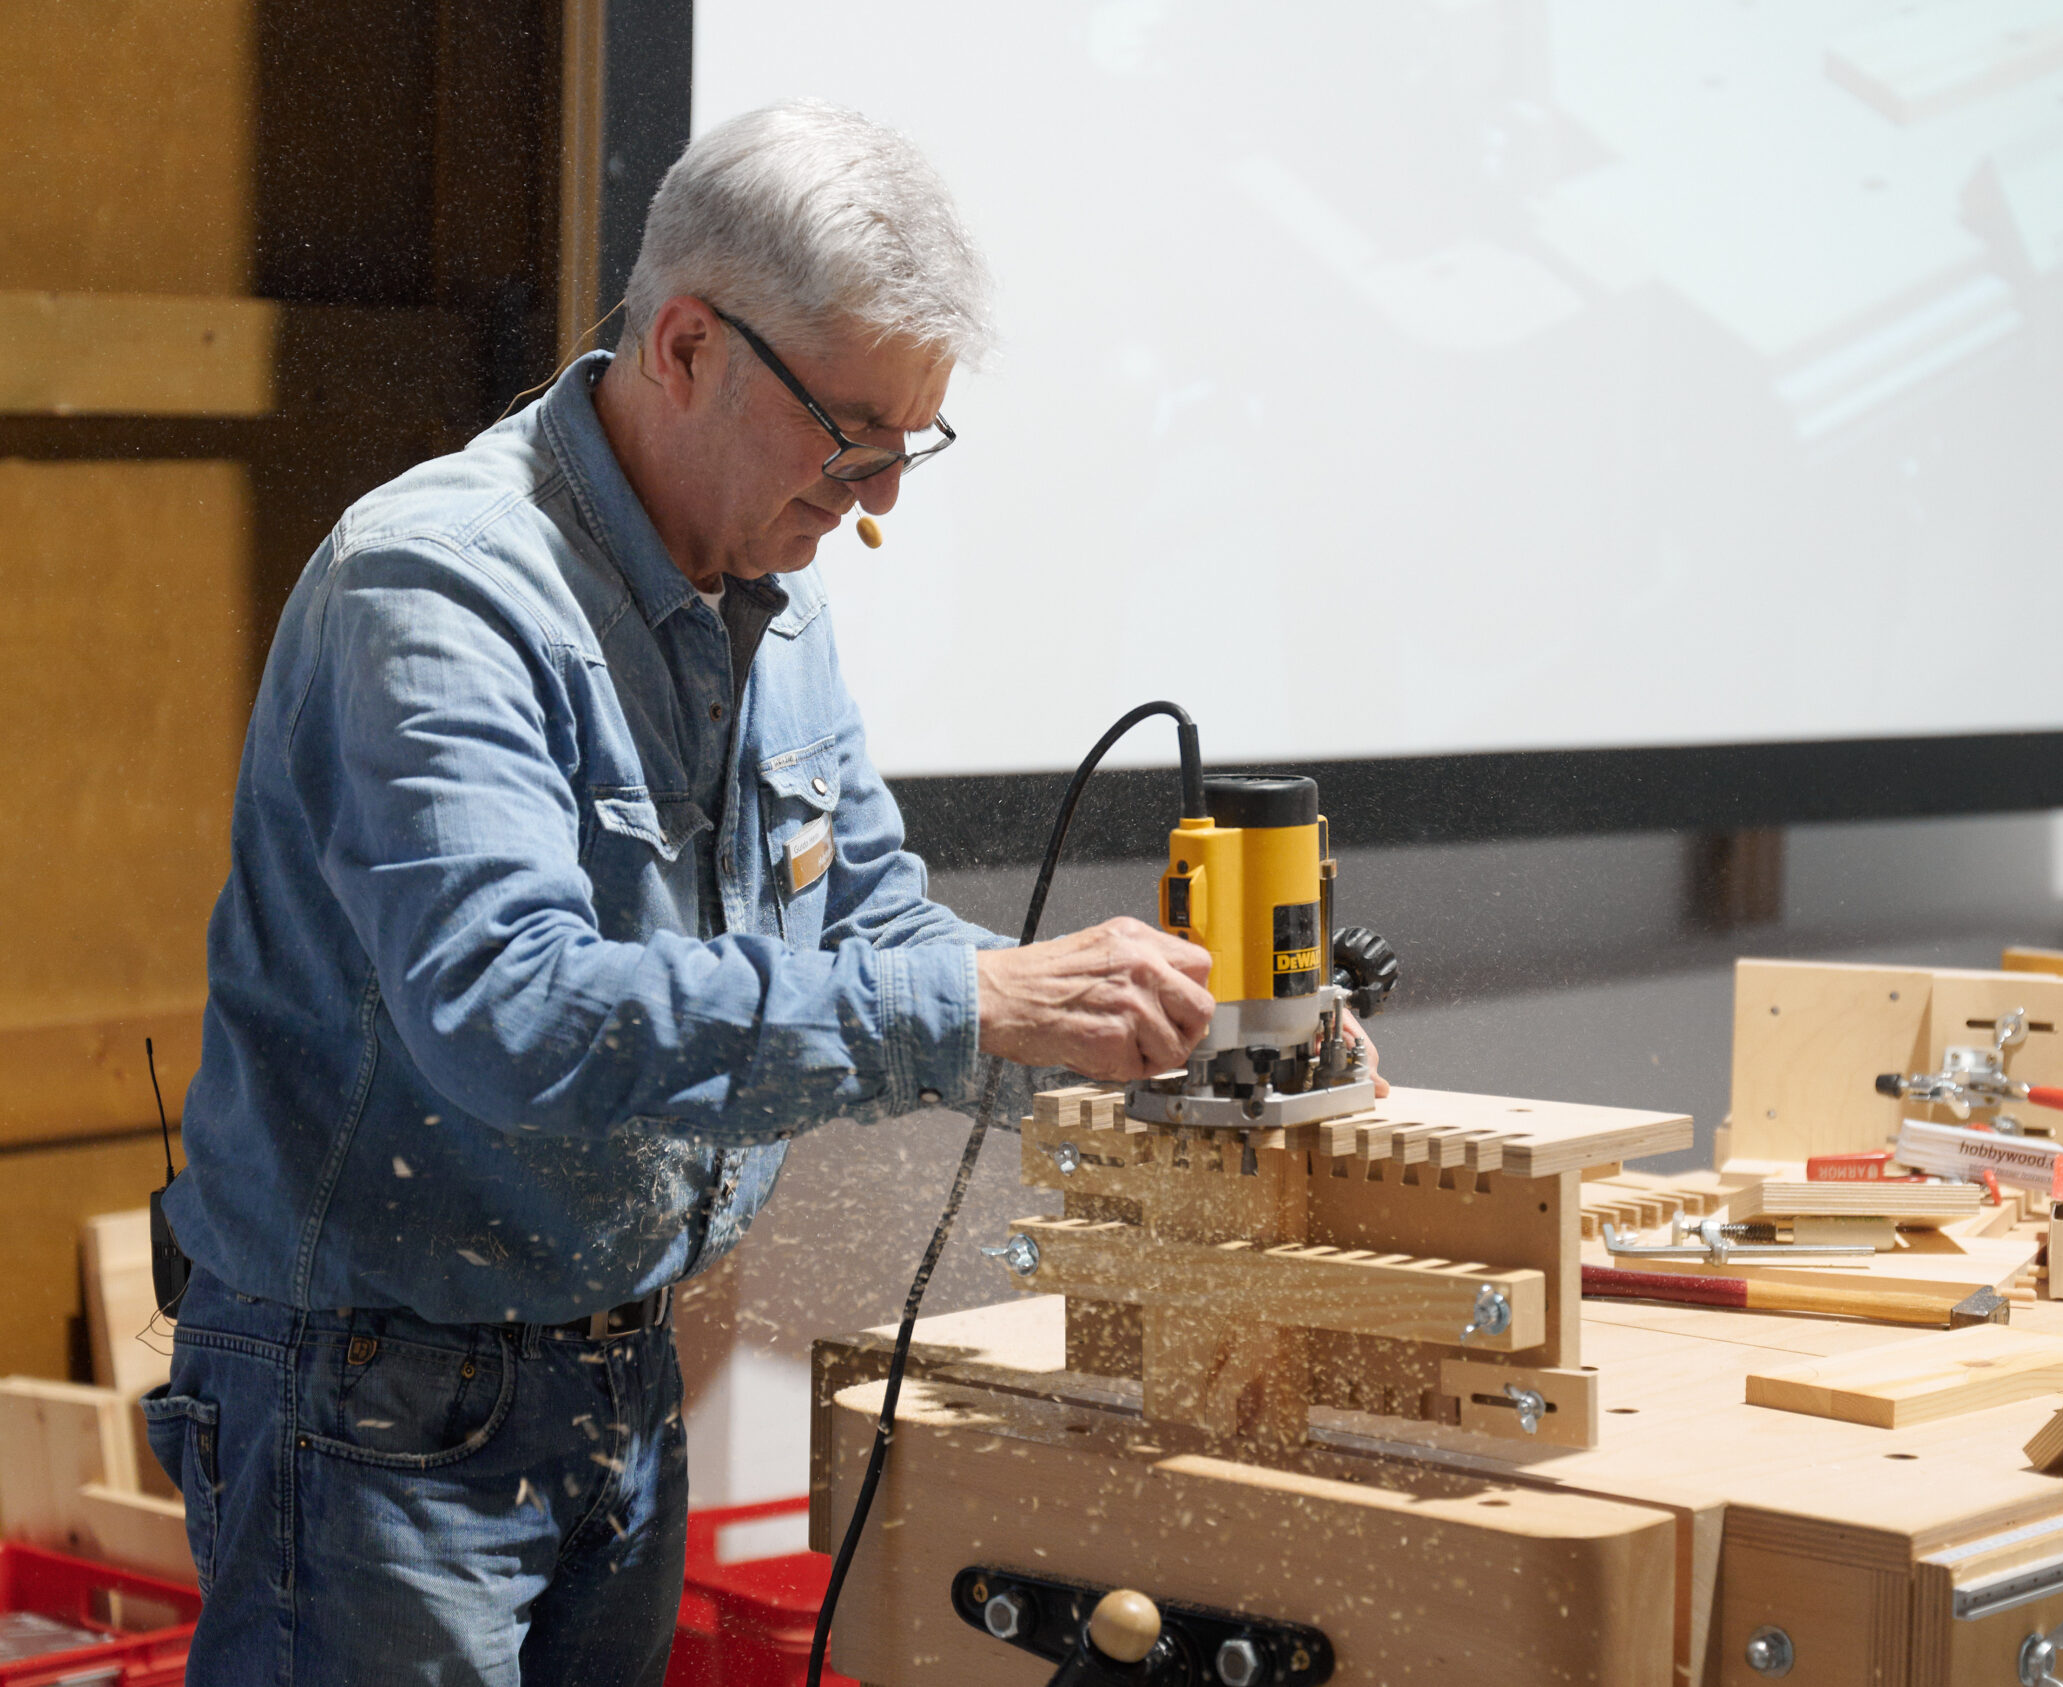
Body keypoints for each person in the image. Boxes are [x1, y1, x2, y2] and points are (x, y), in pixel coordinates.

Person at [148, 100, 1368, 1685]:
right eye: (849, 434)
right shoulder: (443, 592)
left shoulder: (768, 609)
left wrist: (1185, 1034)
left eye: (908, 443)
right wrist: (978, 1001)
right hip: (379, 1413)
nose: (878, 499)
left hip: (612, 1390)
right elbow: (511, 1017)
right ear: (684, 347)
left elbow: (869, 925)